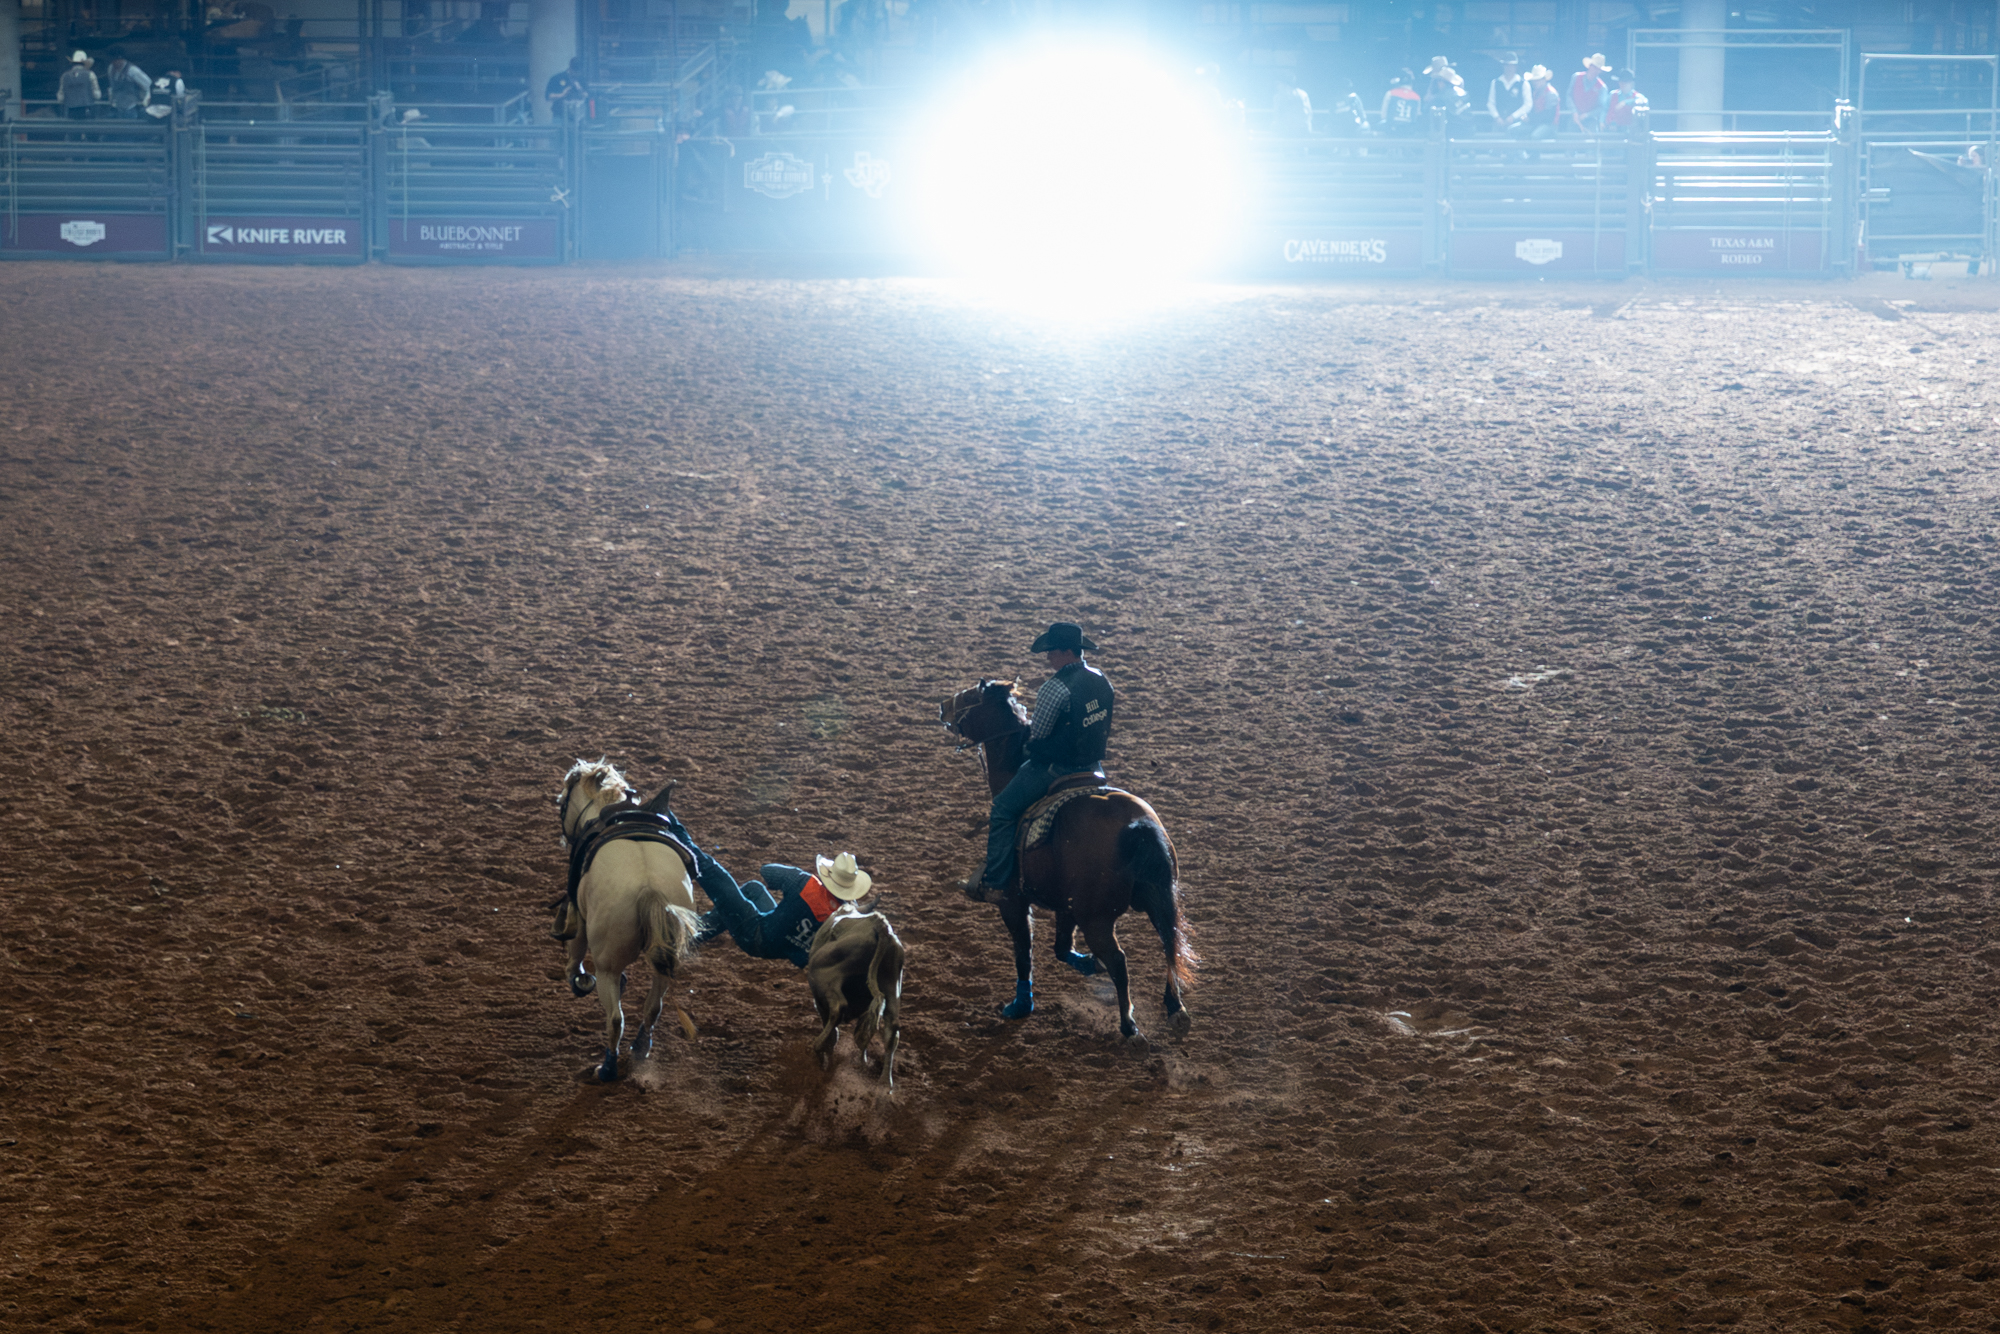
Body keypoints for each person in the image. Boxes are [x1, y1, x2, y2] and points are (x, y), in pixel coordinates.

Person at [958, 622, 1115, 904]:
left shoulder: (1053, 688)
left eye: (1051, 651)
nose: (1048, 657)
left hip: (1056, 767)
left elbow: (1039, 734)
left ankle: (995, 881)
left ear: (1067, 651)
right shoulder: (1101, 680)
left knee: (1003, 809)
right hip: (1093, 767)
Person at [657, 805, 876, 967]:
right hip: (784, 949)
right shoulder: (845, 914)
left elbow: (767, 871)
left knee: (710, 870)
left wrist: (800, 879)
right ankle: (694, 937)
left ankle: (667, 816)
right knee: (752, 890)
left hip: (756, 934)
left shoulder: (805, 883)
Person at [1487, 51, 1528, 134]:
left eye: (1512, 65)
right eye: (1506, 65)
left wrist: (1513, 117)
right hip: (1499, 123)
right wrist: (1497, 117)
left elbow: (1528, 104)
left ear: (1516, 66)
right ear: (1503, 66)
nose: (1509, 68)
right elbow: (1490, 103)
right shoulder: (1495, 83)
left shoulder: (1523, 83)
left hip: (1518, 124)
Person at [1568, 52, 1607, 134]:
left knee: (1590, 143)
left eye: (1598, 69)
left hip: (1591, 120)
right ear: (1590, 66)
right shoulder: (1576, 77)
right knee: (1570, 142)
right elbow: (1569, 96)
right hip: (1574, 117)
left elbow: (1601, 108)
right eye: (1594, 67)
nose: (1596, 70)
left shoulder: (1602, 87)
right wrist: (1574, 111)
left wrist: (1587, 115)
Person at [104, 53, 151, 119]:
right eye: (113, 61)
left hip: (131, 107)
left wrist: (144, 99)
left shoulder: (132, 70)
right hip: (116, 107)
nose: (115, 63)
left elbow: (147, 84)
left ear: (122, 60)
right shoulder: (111, 69)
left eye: (117, 60)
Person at [58, 52, 101, 121]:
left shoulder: (64, 76)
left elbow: (60, 98)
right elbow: (97, 95)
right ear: (85, 63)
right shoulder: (90, 74)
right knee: (86, 130)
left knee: (72, 130)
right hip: (86, 110)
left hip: (69, 111)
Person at [1524, 64, 1562, 140]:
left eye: (1538, 80)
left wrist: (1530, 119)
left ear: (1544, 79)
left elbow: (1548, 117)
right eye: (1534, 80)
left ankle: (1534, 152)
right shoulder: (1535, 93)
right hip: (1536, 123)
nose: (1535, 82)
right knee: (1515, 130)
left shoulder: (1551, 93)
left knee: (1534, 137)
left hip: (1550, 126)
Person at [545, 55, 588, 122]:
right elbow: (548, 97)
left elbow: (586, 95)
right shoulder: (557, 78)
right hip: (560, 116)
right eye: (575, 71)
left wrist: (580, 89)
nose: (576, 74)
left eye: (578, 72)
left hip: (578, 117)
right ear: (570, 68)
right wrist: (562, 94)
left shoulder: (582, 79)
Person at [1379, 72, 1422, 136]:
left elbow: (1383, 115)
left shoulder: (1390, 93)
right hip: (1409, 131)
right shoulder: (1416, 97)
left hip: (1391, 129)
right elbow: (1416, 116)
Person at [1604, 68, 1645, 133]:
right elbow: (1605, 109)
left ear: (1631, 83)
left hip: (1630, 133)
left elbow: (1644, 102)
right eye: (1621, 81)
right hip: (1611, 131)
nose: (1623, 84)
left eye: (1625, 82)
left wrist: (1625, 102)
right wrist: (1602, 122)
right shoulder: (1612, 94)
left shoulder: (1638, 97)